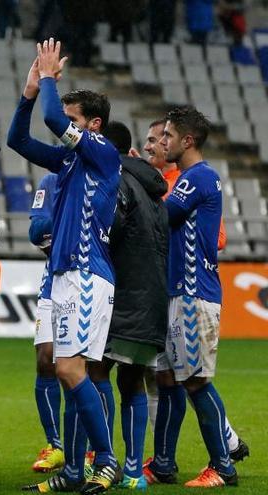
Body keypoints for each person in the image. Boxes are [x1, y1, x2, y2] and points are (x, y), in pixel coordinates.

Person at [7, 40, 121, 494]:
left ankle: (106, 459)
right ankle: (74, 471)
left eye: (75, 121)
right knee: (68, 371)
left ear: (93, 126)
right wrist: (29, 94)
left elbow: (54, 120)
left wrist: (51, 78)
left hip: (87, 273)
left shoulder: (104, 153)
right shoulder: (72, 161)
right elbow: (17, 140)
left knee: (72, 371)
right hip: (64, 275)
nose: (64, 129)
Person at [144, 106, 240, 488]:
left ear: (187, 141)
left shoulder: (196, 178)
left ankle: (223, 465)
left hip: (193, 292)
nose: (161, 141)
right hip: (177, 293)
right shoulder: (188, 177)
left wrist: (136, 179)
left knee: (197, 381)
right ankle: (164, 463)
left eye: (166, 135)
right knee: (168, 378)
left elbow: (159, 218)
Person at [95, 121, 170, 490]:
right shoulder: (154, 189)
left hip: (125, 298)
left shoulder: (119, 181)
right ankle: (133, 472)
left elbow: (111, 231)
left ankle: (104, 461)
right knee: (132, 381)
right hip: (152, 301)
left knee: (93, 374)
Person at [27, 171, 66, 474]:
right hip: (53, 283)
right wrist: (69, 228)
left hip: (93, 281)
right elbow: (37, 230)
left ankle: (92, 450)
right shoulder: (50, 181)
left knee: (86, 368)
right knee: (45, 359)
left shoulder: (100, 174)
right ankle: (56, 445)